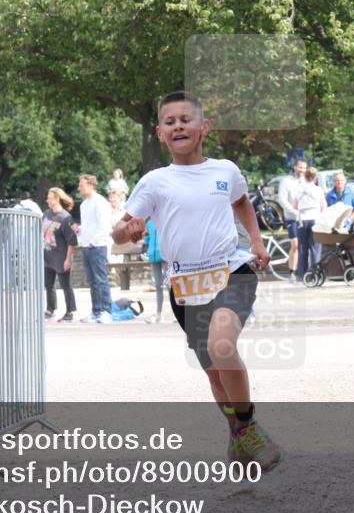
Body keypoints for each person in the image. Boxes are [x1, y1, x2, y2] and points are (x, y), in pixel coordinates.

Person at [112, 91, 280, 471]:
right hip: (185, 288)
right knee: (215, 376)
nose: (178, 126)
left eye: (185, 119)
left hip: (231, 271)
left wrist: (254, 240)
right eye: (169, 122)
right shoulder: (155, 182)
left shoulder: (225, 170)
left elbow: (241, 202)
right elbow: (118, 233)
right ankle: (237, 434)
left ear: (204, 127)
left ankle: (249, 429)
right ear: (159, 132)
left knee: (223, 347)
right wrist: (130, 229)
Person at [77, 174, 113, 323]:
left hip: (98, 246)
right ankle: (96, 310)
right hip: (86, 245)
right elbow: (88, 225)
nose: (79, 188)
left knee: (101, 279)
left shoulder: (101, 202)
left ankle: (106, 311)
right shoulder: (84, 204)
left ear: (91, 185)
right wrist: (78, 230)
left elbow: (104, 225)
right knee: (91, 280)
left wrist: (93, 241)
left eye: (82, 185)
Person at [43, 188, 78, 322]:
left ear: (57, 199)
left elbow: (72, 241)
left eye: (49, 198)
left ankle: (70, 312)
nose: (47, 200)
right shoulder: (46, 214)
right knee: (49, 285)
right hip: (47, 255)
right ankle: (50, 309)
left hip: (61, 256)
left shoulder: (66, 218)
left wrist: (68, 259)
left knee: (66, 285)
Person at [277, 159, 307, 281]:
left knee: (305, 245)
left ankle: (304, 270)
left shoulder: (306, 181)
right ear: (295, 167)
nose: (302, 170)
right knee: (295, 245)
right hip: (292, 218)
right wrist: (293, 210)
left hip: (305, 218)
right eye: (300, 167)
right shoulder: (286, 181)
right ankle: (292, 272)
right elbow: (281, 199)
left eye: (304, 168)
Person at [294, 166, 325, 281]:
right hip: (315, 219)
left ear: (305, 177)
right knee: (315, 248)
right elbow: (323, 206)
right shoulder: (318, 190)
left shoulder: (299, 189)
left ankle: (301, 275)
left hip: (301, 220)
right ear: (315, 177)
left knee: (302, 248)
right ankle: (315, 273)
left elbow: (294, 206)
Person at [143, 219, 165, 323]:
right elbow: (146, 238)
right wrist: (146, 251)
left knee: (170, 285)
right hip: (153, 256)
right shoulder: (148, 223)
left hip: (166, 255)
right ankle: (159, 314)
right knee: (158, 285)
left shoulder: (166, 220)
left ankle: (176, 313)